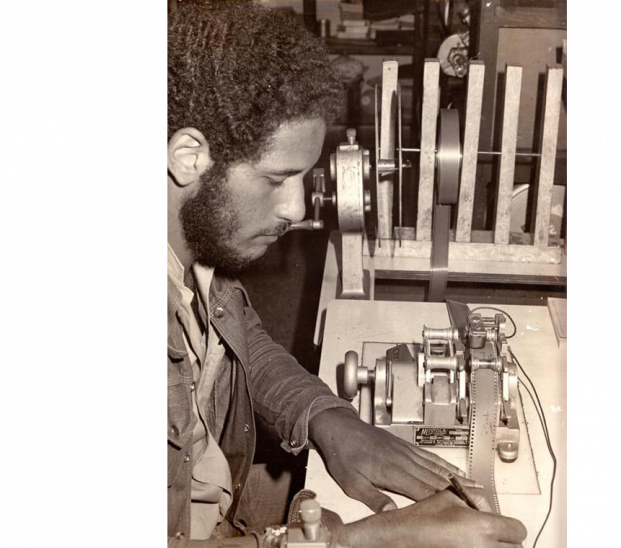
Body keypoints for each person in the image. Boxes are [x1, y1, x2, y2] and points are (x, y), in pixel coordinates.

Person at [166, 2, 527, 547]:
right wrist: (369, 538)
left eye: (306, 175)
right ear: (189, 156)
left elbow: (245, 346)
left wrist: (330, 421)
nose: (295, 209)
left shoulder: (197, 250)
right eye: (277, 178)